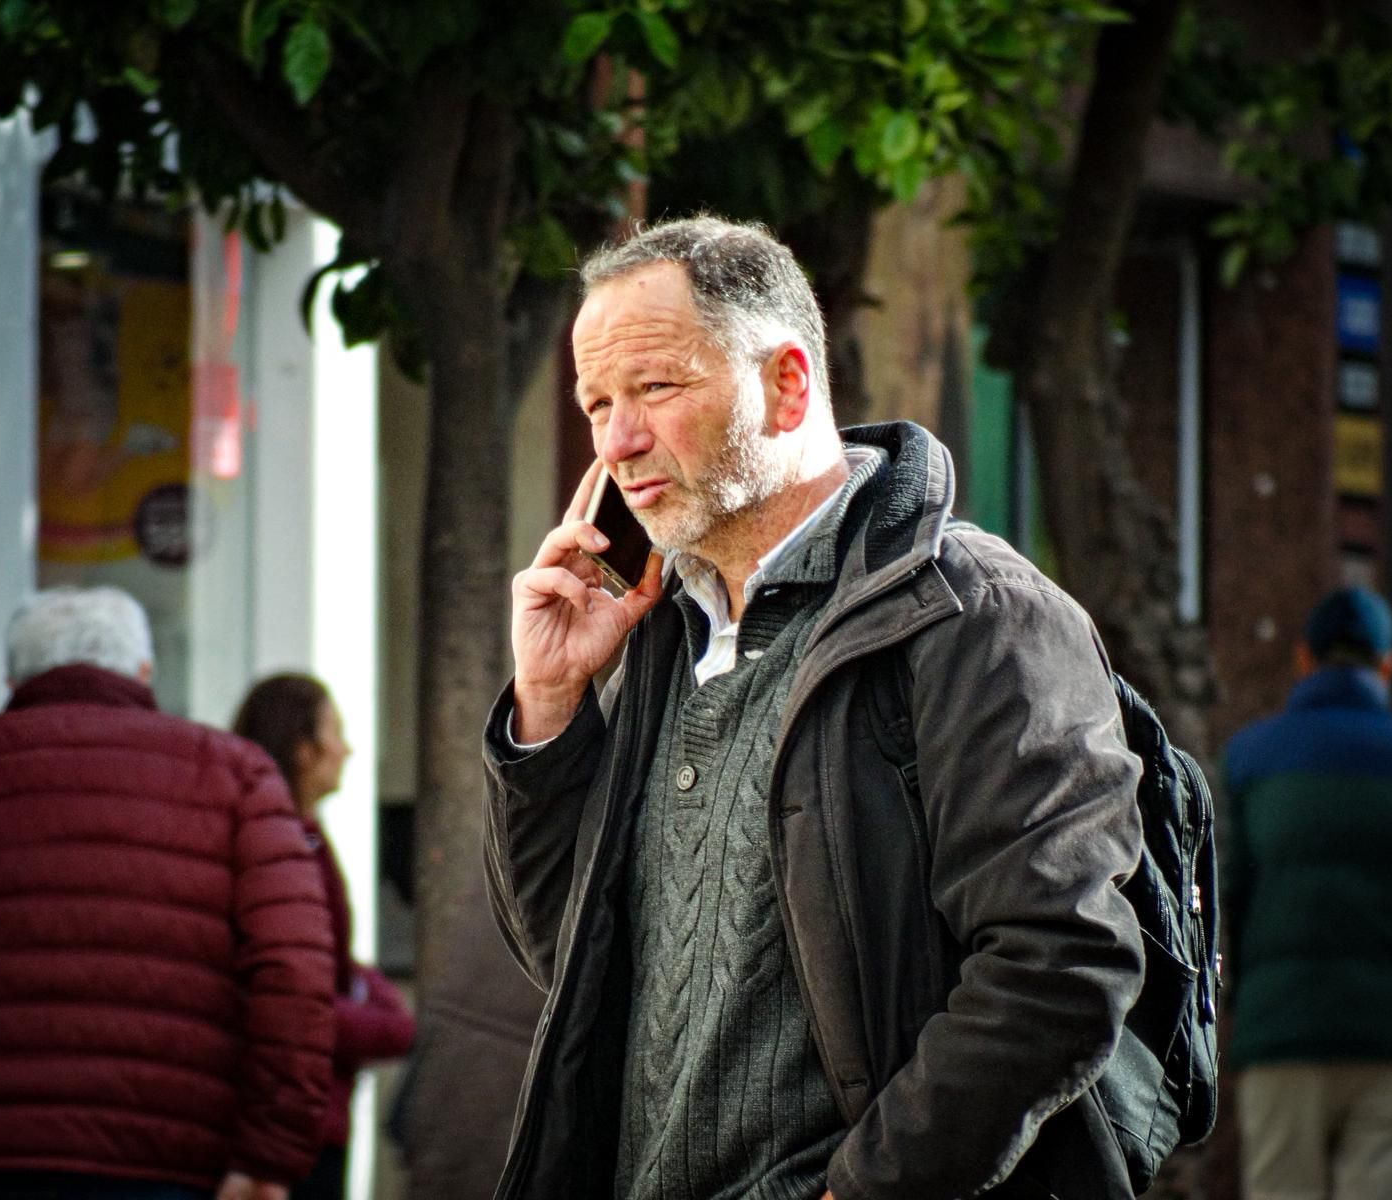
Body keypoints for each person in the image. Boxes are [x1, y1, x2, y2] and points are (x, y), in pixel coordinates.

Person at [482, 216, 1146, 1199]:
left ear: (787, 384)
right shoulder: (660, 633)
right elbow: (572, 964)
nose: (618, 441)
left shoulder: (969, 611)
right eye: (595, 403)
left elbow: (1059, 963)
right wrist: (548, 707)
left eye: (655, 388)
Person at [0, 587, 336, 1200]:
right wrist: (267, 1157)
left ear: (11, 678)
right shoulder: (237, 778)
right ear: (143, 672)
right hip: (177, 1162)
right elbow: (293, 975)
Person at [1224, 586, 1392, 1200]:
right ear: (1387, 666)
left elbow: (1229, 898)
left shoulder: (1249, 758)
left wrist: (1245, 1005)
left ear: (1302, 658)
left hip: (1282, 1034)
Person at [234, 674, 416, 1200]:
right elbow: (289, 994)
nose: (347, 748)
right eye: (334, 731)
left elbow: (330, 968)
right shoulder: (281, 846)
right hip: (289, 1121)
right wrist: (387, 1023)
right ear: (303, 750)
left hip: (305, 1111)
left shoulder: (302, 838)